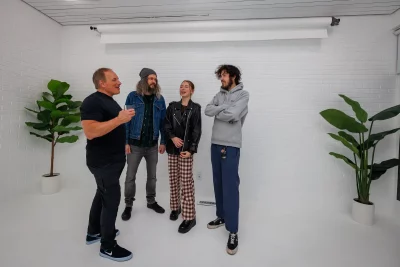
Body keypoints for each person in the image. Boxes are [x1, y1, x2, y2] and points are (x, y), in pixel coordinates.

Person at [81, 68, 134, 262]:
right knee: (111, 201)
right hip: (103, 163)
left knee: (101, 194)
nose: (119, 82)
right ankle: (108, 246)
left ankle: (93, 232)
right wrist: (120, 119)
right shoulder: (92, 101)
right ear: (101, 83)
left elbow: (110, 126)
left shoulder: (109, 101)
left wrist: (121, 121)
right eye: (114, 79)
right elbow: (91, 131)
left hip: (111, 162)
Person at [204, 64, 249, 255]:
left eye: (223, 75)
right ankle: (221, 216)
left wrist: (221, 111)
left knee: (230, 187)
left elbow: (234, 114)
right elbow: (207, 110)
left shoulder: (243, 95)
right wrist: (223, 108)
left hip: (230, 145)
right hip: (215, 143)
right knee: (218, 183)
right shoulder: (219, 94)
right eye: (220, 75)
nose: (221, 79)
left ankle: (233, 230)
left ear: (233, 76)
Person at [121, 68, 167, 221]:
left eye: (155, 79)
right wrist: (126, 142)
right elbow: (126, 121)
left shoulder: (160, 99)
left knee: (152, 177)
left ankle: (151, 201)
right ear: (143, 80)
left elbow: (163, 123)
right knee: (130, 177)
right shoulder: (132, 97)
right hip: (135, 145)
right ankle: (128, 205)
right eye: (151, 78)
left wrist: (163, 142)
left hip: (153, 145)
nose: (154, 81)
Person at [164, 80, 202, 234]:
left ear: (192, 90)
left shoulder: (195, 108)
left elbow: (196, 131)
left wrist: (191, 150)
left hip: (186, 151)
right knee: (173, 179)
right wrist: (172, 137)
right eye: (181, 86)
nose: (183, 88)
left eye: (186, 86)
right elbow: (166, 125)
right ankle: (175, 208)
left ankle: (189, 217)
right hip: (172, 149)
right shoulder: (172, 106)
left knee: (186, 183)